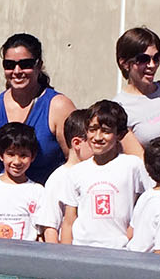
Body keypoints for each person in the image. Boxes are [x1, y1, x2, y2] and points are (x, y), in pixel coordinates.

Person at [0, 33, 76, 183]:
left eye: (25, 64)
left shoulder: (59, 107)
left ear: (38, 65)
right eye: (9, 65)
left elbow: (76, 159)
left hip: (47, 201)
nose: (16, 71)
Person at [60, 102, 151, 249]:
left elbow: (145, 206)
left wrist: (130, 236)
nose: (97, 137)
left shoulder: (133, 165)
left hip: (120, 251)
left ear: (119, 134)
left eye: (106, 131)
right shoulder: (76, 172)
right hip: (82, 250)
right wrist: (65, 254)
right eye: (92, 130)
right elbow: (69, 221)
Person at [36, 107, 104, 244]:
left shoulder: (99, 173)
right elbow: (50, 226)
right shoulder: (59, 178)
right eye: (93, 141)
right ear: (77, 143)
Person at [107, 27, 160, 157]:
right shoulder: (118, 110)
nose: (152, 65)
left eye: (157, 58)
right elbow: (144, 165)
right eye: (144, 59)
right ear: (124, 63)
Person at [0, 123, 46, 240]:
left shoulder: (38, 191)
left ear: (33, 156)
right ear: (1, 155)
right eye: (11, 154)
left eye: (23, 155)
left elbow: (40, 235)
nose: (17, 161)